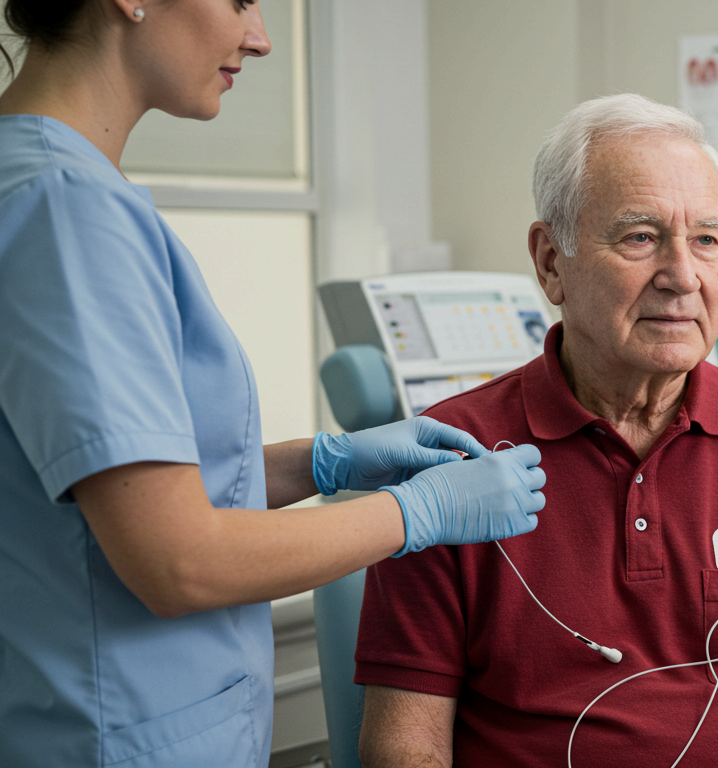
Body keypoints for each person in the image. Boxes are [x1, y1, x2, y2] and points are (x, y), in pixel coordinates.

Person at [0, 2, 546, 766]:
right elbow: (177, 560)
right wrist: (417, 511)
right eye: (240, 0)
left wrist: (320, 462)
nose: (259, 38)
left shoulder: (45, 183)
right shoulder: (65, 208)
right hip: (117, 733)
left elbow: (117, 500)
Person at [354, 94, 718, 768]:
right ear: (551, 263)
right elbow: (405, 742)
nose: (683, 277)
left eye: (706, 239)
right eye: (640, 237)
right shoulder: (455, 454)